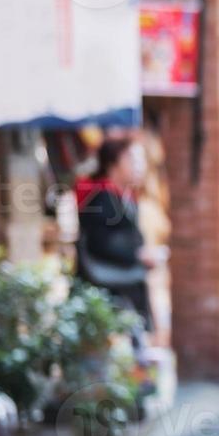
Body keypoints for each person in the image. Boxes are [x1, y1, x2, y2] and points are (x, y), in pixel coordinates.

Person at [76, 137, 162, 330]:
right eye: (133, 159)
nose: (140, 166)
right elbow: (99, 242)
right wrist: (138, 253)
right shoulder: (99, 197)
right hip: (104, 290)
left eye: (142, 160)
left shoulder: (125, 197)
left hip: (123, 284)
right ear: (112, 163)